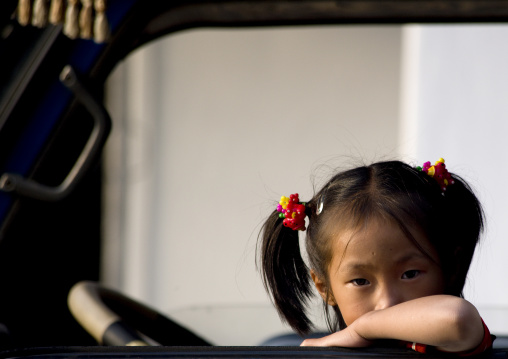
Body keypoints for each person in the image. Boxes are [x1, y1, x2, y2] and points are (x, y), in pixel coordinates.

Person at [258, 159, 493, 355]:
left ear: (451, 268)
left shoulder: (446, 344)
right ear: (324, 287)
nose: (386, 303)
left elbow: (456, 319)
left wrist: (362, 328)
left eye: (410, 274)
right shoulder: (329, 350)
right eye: (360, 281)